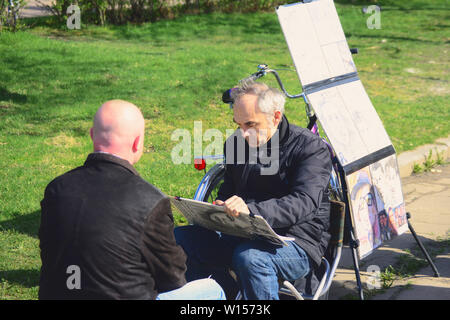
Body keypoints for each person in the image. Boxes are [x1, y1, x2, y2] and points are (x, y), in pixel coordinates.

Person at [38, 99, 224, 300]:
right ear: (137, 143)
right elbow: (173, 277)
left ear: (92, 135)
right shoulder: (150, 201)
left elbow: (49, 251)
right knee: (214, 290)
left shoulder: (56, 189)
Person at [175, 82, 332, 300]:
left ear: (275, 117)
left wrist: (250, 210)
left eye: (250, 124)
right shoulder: (236, 144)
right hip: (242, 231)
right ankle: (221, 295)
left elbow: (304, 202)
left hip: (296, 241)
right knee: (179, 239)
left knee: (250, 258)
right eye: (238, 124)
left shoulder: (310, 148)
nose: (243, 133)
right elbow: (228, 189)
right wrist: (218, 208)